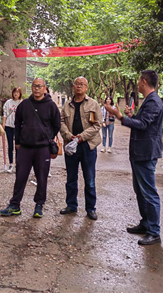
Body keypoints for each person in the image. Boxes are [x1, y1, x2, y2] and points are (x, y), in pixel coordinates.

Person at [107, 70, 163, 246]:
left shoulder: (153, 101)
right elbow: (143, 121)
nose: (138, 84)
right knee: (140, 191)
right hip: (139, 153)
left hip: (146, 154)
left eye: (139, 81)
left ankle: (154, 232)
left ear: (144, 81)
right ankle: (146, 223)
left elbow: (143, 125)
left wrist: (120, 117)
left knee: (149, 193)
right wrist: (133, 116)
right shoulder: (149, 101)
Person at [0, 78, 60, 218]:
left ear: (44, 88)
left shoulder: (51, 106)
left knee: (42, 178)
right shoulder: (25, 104)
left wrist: (48, 138)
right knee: (20, 177)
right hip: (25, 147)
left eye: (39, 86)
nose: (36, 88)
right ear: (31, 88)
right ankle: (15, 205)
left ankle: (39, 205)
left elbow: (56, 124)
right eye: (34, 86)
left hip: (42, 148)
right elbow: (17, 123)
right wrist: (18, 141)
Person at [59, 76, 102, 220]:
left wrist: (82, 137)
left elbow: (97, 124)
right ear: (73, 86)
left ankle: (91, 208)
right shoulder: (67, 105)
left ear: (86, 88)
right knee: (71, 178)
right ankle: (71, 205)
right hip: (71, 146)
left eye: (82, 84)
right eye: (77, 83)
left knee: (89, 179)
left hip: (87, 146)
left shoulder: (93, 104)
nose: (79, 86)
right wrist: (68, 135)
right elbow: (60, 122)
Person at [2, 87, 22, 173]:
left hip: (18, 127)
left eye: (17, 92)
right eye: (14, 92)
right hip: (9, 126)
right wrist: (3, 123)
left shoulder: (22, 103)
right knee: (10, 146)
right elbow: (5, 113)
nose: (16, 94)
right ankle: (11, 164)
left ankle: (18, 163)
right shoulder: (8, 102)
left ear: (20, 94)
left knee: (18, 146)